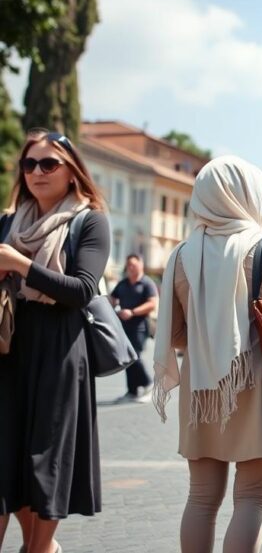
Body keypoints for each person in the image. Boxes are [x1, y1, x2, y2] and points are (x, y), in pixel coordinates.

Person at [151, 156, 262, 552]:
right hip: (258, 386)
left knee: (200, 498)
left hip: (201, 390)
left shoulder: (180, 255)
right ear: (246, 195)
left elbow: (177, 335)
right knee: (252, 499)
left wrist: (211, 342)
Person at [0, 129, 111, 553]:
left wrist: (20, 264)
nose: (37, 172)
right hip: (9, 345)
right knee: (6, 457)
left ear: (72, 171)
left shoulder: (89, 220)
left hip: (60, 347)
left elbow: (82, 288)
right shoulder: (10, 221)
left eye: (49, 164)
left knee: (45, 458)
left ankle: (40, 548)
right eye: (29, 164)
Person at [110, 254, 158, 403]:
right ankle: (132, 390)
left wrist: (133, 312)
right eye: (128, 265)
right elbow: (112, 299)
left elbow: (152, 303)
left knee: (134, 356)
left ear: (141, 265)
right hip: (123, 326)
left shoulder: (147, 283)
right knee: (126, 358)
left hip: (140, 326)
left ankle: (148, 383)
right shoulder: (123, 283)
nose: (130, 267)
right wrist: (113, 309)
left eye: (133, 264)